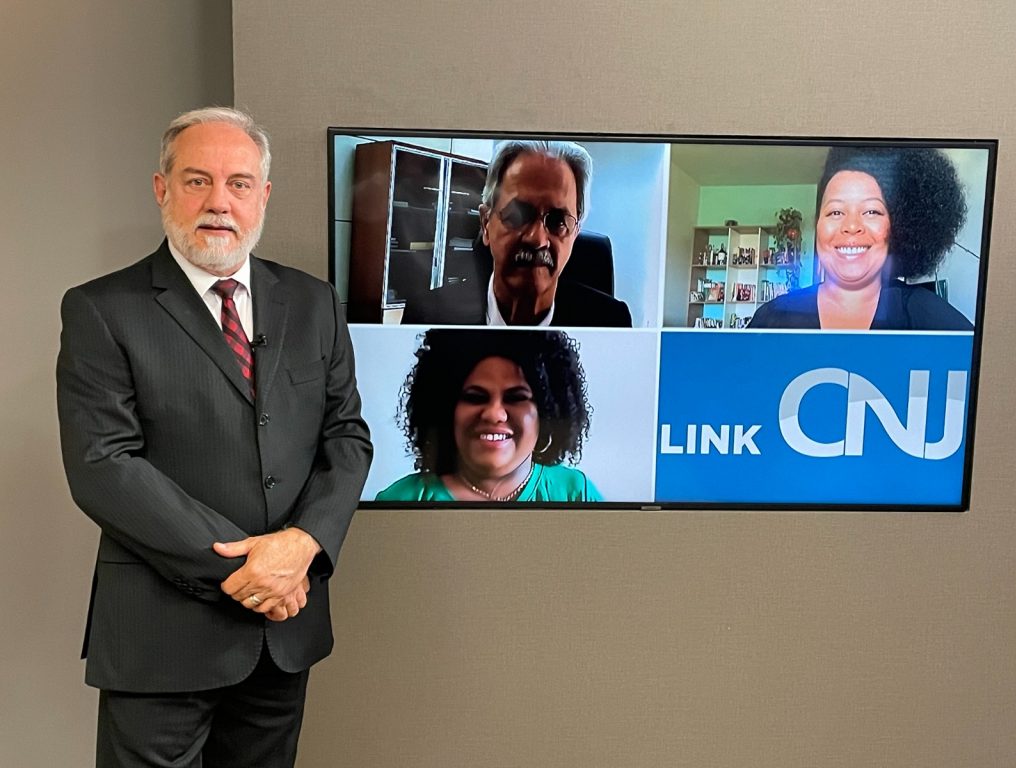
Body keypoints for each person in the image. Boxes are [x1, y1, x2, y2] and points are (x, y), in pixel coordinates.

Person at [56, 107, 372, 767]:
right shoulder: (102, 310)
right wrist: (254, 570)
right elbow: (104, 465)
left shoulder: (313, 304)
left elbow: (346, 438)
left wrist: (303, 545)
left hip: (283, 634)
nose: (218, 202)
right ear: (161, 188)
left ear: (263, 195)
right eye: (197, 181)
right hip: (160, 636)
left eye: (238, 183)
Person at [400, 140, 632, 327]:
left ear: (575, 234)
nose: (536, 239)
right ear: (486, 223)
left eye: (557, 221)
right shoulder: (426, 315)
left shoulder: (610, 322)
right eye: (518, 215)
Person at [748, 146, 974, 331]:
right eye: (835, 212)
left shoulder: (927, 317)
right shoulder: (773, 319)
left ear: (896, 225)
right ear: (818, 224)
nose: (851, 226)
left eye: (871, 212)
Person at [376, 329, 603, 502]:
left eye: (515, 398)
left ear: (547, 414)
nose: (494, 414)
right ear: (446, 411)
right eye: (475, 397)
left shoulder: (575, 492)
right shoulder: (400, 499)